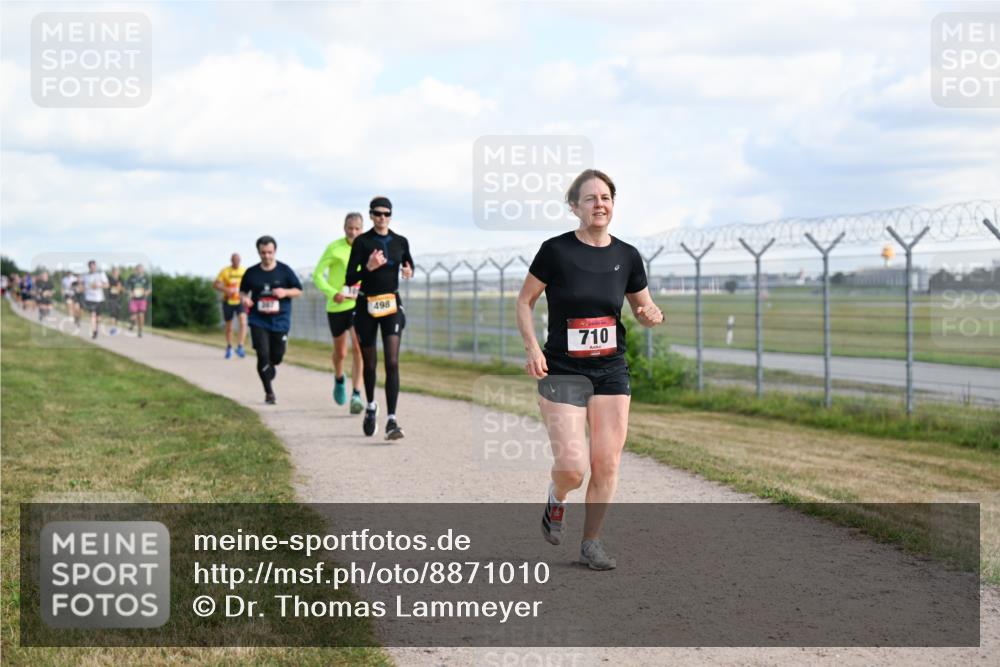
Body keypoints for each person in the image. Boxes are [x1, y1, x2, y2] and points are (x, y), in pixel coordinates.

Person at [516, 169, 663, 571]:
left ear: (613, 204)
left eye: (606, 197)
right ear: (574, 207)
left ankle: (591, 543)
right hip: (562, 370)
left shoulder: (627, 256)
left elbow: (642, 307)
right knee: (572, 467)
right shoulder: (556, 251)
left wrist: (652, 315)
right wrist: (532, 347)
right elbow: (525, 301)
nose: (600, 204)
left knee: (608, 462)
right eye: (590, 198)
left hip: (611, 371)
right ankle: (556, 499)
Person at [345, 196, 414, 439]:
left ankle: (392, 419)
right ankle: (371, 406)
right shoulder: (362, 243)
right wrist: (369, 268)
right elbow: (350, 279)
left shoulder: (400, 241)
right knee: (370, 363)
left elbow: (409, 265)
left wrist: (408, 271)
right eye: (377, 213)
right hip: (366, 306)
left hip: (391, 305)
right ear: (371, 215)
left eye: (385, 214)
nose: (381, 218)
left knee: (392, 362)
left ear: (391, 215)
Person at [240, 236, 303, 404]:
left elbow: (298, 290)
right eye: (263, 253)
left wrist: (285, 292)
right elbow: (243, 292)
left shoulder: (284, 271)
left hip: (280, 320)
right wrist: (245, 299)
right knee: (262, 354)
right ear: (258, 252)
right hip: (258, 319)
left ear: (275, 251)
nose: (266, 256)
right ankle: (269, 392)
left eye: (270, 252)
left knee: (276, 356)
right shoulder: (251, 273)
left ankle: (272, 365)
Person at [313, 213, 366, 414]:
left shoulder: (367, 248)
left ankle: (356, 394)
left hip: (357, 306)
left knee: (359, 348)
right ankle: (339, 378)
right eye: (350, 228)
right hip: (336, 307)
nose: (353, 232)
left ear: (362, 229)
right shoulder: (334, 248)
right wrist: (332, 293)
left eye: (357, 228)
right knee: (341, 353)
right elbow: (317, 275)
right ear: (344, 228)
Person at [214, 253, 248, 359]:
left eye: (238, 259)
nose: (236, 261)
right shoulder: (225, 271)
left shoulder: (244, 271)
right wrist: (225, 289)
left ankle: (240, 346)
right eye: (234, 260)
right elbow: (215, 284)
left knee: (243, 321)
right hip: (228, 301)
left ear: (240, 260)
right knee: (229, 326)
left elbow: (249, 284)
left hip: (240, 301)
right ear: (231, 260)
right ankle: (229, 347)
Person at [82, 260, 109, 339]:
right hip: (89, 298)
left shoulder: (101, 274)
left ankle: (96, 328)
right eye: (91, 266)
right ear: (89, 267)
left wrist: (99, 286)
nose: (93, 268)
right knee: (92, 315)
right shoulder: (85, 276)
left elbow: (107, 285)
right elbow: (82, 285)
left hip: (99, 298)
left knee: (98, 317)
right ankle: (94, 331)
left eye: (94, 266)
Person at [126, 264, 151, 337]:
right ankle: (132, 323)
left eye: (141, 269)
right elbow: (127, 287)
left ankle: (140, 331)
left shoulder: (146, 278)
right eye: (138, 269)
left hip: (142, 299)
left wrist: (146, 293)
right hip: (133, 299)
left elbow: (149, 289)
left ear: (143, 270)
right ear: (136, 270)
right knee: (134, 316)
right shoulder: (131, 278)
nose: (140, 270)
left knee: (141, 315)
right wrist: (130, 292)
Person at [107, 267, 124, 335]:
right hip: (111, 298)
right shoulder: (109, 279)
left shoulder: (121, 280)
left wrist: (120, 288)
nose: (115, 273)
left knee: (117, 315)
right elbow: (107, 286)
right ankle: (113, 328)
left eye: (117, 272)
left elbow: (123, 290)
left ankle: (115, 327)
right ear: (112, 272)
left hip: (119, 298)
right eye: (114, 272)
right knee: (113, 313)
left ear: (119, 273)